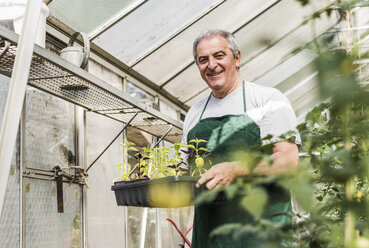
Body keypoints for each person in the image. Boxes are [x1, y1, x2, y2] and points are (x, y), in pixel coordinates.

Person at [182, 29, 300, 247]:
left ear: (237, 58)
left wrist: (237, 169)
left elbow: (288, 161)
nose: (211, 65)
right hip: (209, 239)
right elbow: (185, 172)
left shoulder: (268, 100)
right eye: (203, 60)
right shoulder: (194, 114)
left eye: (219, 56)